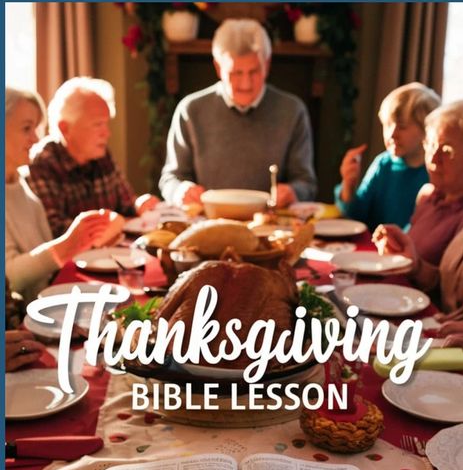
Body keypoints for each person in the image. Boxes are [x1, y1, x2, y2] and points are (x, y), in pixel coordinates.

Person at [159, 19, 317, 208]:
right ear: (218, 67)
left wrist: (293, 191)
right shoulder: (190, 110)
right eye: (236, 73)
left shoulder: (292, 111)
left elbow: (306, 183)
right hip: (208, 226)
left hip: (270, 226)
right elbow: (170, 179)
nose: (246, 84)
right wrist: (180, 190)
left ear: (266, 64)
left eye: (254, 71)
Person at [5, 86, 122, 302]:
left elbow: (45, 274)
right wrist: (67, 246)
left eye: (36, 128)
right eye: (26, 128)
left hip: (47, 302)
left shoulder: (21, 188)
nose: (35, 138)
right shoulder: (35, 173)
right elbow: (8, 278)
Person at [27, 77, 159, 238]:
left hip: (111, 254)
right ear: (65, 128)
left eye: (106, 124)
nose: (107, 133)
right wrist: (116, 224)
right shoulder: (42, 164)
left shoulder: (101, 155)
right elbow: (55, 231)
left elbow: (126, 203)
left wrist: (139, 204)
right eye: (97, 125)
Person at [372, 100, 463, 267]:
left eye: (446, 150)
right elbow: (412, 252)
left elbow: (451, 289)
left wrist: (415, 267)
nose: (432, 158)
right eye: (430, 145)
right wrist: (395, 244)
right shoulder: (427, 195)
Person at [334, 82, 441, 231]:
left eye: (402, 126)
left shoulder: (436, 173)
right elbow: (355, 218)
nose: (392, 134)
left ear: (426, 130)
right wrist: (348, 185)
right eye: (388, 125)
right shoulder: (383, 163)